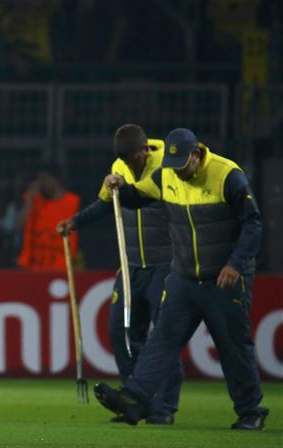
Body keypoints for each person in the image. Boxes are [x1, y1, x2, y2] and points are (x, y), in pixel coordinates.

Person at [93, 128, 268, 430]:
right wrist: (118, 186)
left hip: (223, 279)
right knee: (161, 340)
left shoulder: (227, 175)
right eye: (173, 166)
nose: (178, 172)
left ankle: (250, 411)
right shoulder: (167, 174)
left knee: (232, 347)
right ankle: (135, 399)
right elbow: (137, 197)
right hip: (183, 278)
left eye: (183, 165)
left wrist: (236, 264)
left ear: (197, 154)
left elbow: (253, 223)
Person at [57, 124, 182, 424]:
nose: (128, 166)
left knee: (162, 336)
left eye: (132, 160)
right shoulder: (120, 165)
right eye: (124, 162)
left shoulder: (166, 165)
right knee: (120, 330)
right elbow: (105, 203)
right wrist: (75, 222)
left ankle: (164, 407)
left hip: (165, 264)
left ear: (145, 151)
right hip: (131, 265)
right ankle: (132, 401)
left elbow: (142, 194)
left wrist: (123, 187)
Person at [18, 164, 80, 271]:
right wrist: (29, 200)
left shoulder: (72, 202)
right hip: (33, 267)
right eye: (40, 180)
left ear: (56, 179)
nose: (42, 184)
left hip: (62, 267)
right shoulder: (34, 200)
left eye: (45, 179)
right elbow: (19, 225)